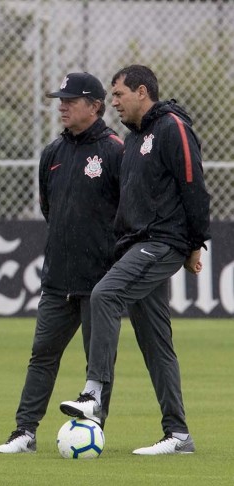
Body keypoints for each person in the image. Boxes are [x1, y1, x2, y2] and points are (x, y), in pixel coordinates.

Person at [59, 65, 210, 455]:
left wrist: (196, 243)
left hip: (161, 242)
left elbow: (193, 183)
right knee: (156, 342)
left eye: (119, 95)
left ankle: (93, 393)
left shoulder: (172, 127)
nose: (114, 103)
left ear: (142, 92)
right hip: (135, 245)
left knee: (104, 295)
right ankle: (178, 435)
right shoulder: (134, 139)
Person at [0, 72, 123, 454]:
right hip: (58, 278)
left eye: (70, 99)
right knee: (42, 356)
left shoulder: (115, 151)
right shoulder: (52, 153)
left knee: (97, 362)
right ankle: (24, 432)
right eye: (59, 99)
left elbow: (127, 212)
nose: (62, 106)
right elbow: (49, 209)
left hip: (100, 280)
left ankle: (93, 431)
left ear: (95, 106)